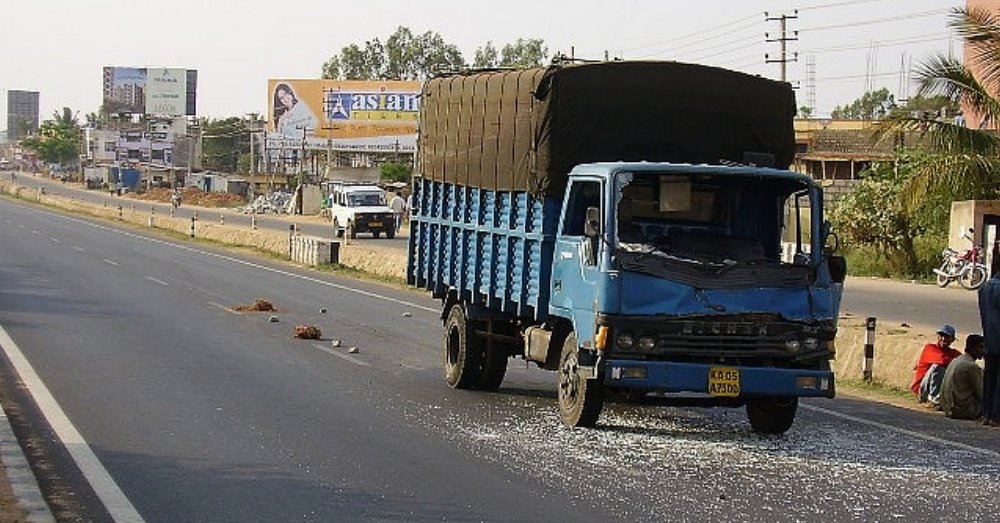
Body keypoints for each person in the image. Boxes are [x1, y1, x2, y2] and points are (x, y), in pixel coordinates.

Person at [911, 324, 961, 408]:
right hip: (923, 389)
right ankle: (933, 400)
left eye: (947, 337)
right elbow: (942, 360)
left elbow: (963, 363)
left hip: (943, 389)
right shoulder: (930, 348)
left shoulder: (954, 353)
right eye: (941, 336)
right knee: (938, 367)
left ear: (952, 340)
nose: (943, 339)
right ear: (937, 337)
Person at [979, 240, 1000, 426]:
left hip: (989, 341)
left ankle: (985, 414)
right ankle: (995, 415)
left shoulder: (984, 287)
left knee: (989, 378)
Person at [940, 334, 985, 420]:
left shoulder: (956, 360)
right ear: (972, 348)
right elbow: (982, 394)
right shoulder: (971, 366)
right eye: (981, 347)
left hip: (948, 408)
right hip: (962, 410)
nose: (983, 351)